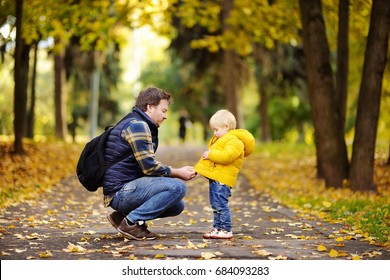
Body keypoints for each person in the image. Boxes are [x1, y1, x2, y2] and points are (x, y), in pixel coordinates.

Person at [103, 87, 196, 240]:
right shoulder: (138, 125)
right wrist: (177, 172)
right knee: (178, 187)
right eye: (164, 110)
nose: (166, 116)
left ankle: (120, 217)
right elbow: (149, 167)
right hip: (120, 192)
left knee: (177, 206)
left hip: (122, 190)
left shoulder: (135, 121)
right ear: (150, 107)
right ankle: (131, 223)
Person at [194, 109, 255, 239]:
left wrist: (211, 155)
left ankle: (226, 230)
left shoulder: (235, 141)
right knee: (215, 205)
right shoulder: (223, 139)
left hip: (223, 180)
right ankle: (217, 228)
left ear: (226, 127)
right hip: (216, 178)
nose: (214, 133)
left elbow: (227, 157)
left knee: (221, 205)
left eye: (216, 130)